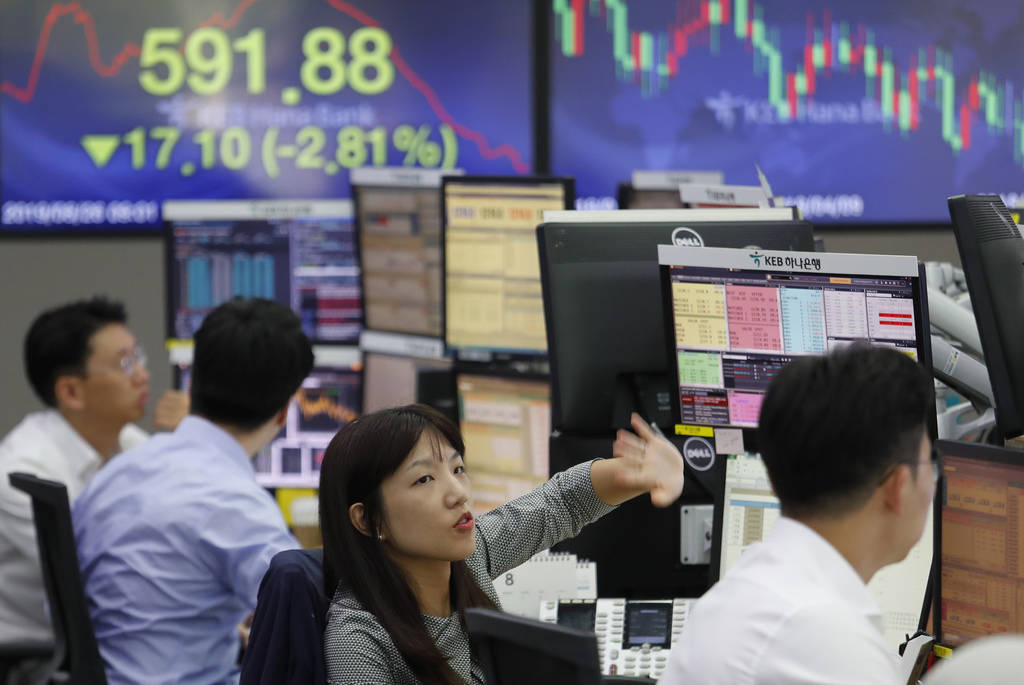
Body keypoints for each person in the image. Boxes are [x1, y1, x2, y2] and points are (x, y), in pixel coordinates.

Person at [319, 404, 685, 684]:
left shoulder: (470, 557)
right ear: (368, 519)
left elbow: (562, 501)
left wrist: (640, 476)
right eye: (425, 479)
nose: (457, 494)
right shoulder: (358, 639)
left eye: (457, 469)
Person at [660, 344, 936, 685]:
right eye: (929, 463)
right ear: (898, 486)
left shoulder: (739, 595)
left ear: (773, 482)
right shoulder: (826, 640)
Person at [73, 297, 314, 684]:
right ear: (284, 412)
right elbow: (311, 627)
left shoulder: (114, 474)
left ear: (193, 381)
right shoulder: (240, 507)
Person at [0, 296, 188, 651]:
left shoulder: (129, 443)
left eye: (139, 356)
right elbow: (110, 580)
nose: (143, 374)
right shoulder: (22, 473)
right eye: (126, 363)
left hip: (112, 642)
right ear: (71, 391)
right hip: (32, 662)